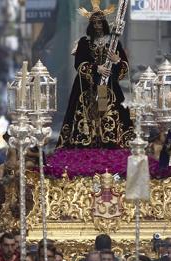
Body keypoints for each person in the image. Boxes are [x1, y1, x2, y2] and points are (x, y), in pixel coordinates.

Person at [57, 0, 134, 149]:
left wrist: (117, 60)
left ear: (104, 24)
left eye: (100, 23)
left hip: (108, 87)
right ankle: (85, 150)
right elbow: (78, 64)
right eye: (95, 24)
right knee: (84, 117)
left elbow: (124, 66)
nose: (98, 26)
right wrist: (96, 68)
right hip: (87, 88)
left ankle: (111, 148)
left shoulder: (114, 43)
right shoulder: (84, 43)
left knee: (111, 115)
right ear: (90, 26)